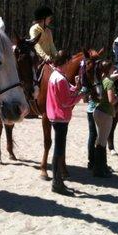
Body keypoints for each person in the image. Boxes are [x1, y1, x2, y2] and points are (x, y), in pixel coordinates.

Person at [46, 50, 83, 195]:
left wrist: (76, 87)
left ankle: (58, 181)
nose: (70, 64)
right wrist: (81, 95)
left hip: (57, 116)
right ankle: (56, 183)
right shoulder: (60, 78)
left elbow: (66, 91)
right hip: (60, 117)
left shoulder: (58, 76)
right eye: (69, 61)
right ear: (65, 61)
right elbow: (66, 101)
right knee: (59, 150)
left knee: (58, 149)